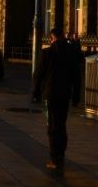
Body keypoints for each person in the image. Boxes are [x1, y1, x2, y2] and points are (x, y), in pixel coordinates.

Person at [32, 27, 82, 173]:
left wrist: (35, 93)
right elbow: (77, 78)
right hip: (65, 95)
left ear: (52, 38)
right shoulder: (71, 53)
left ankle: (55, 158)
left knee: (52, 126)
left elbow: (38, 75)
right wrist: (76, 98)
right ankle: (61, 155)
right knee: (61, 124)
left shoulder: (47, 53)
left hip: (50, 95)